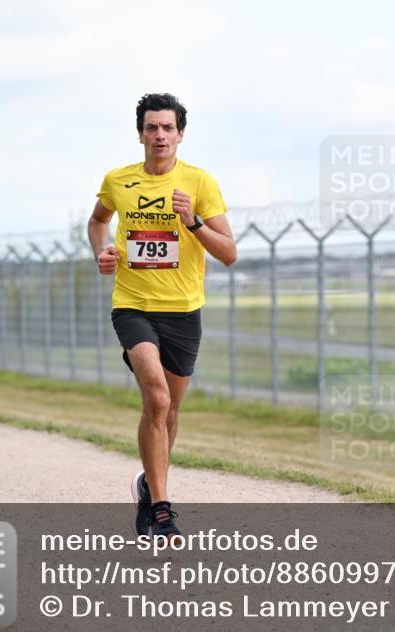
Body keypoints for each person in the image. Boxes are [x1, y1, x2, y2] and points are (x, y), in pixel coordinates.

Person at [87, 93, 237, 539]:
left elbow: (229, 253)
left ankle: (148, 489)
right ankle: (164, 511)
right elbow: (97, 222)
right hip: (133, 305)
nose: (159, 135)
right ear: (140, 134)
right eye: (151, 128)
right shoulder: (118, 180)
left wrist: (193, 223)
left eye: (167, 128)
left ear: (180, 135)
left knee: (169, 412)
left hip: (184, 313)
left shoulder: (199, 182)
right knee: (156, 397)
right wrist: (102, 251)